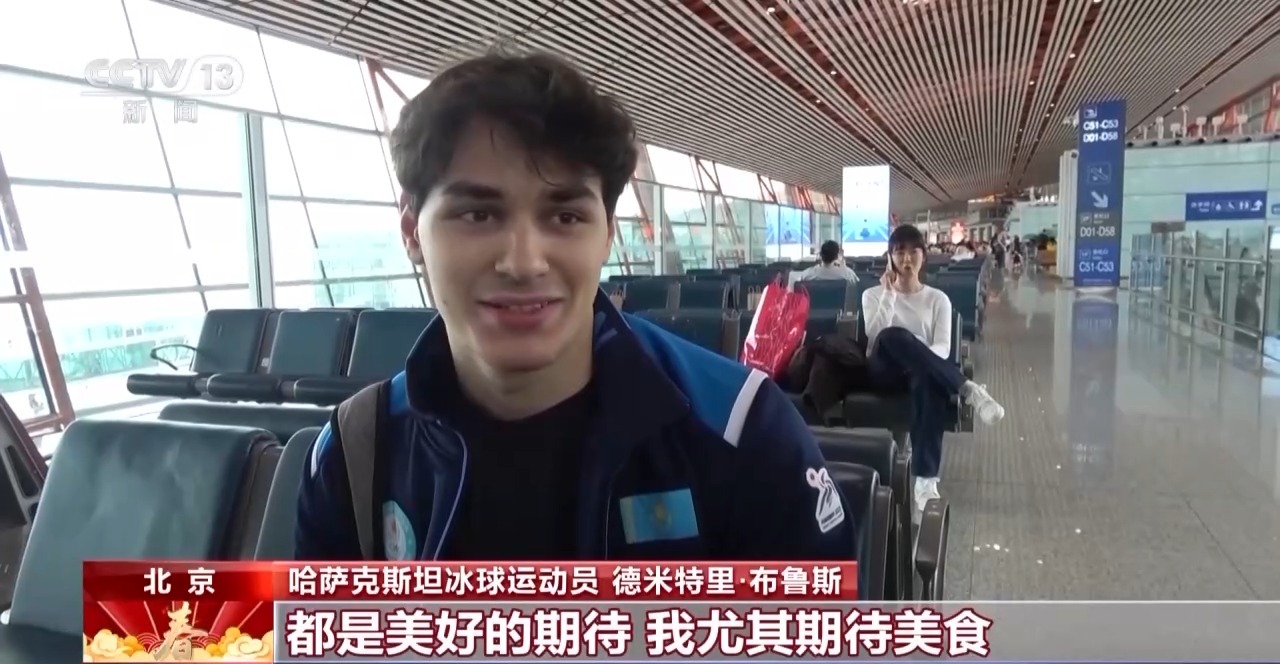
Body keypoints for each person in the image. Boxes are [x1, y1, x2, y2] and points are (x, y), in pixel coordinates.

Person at [295, 51, 853, 561]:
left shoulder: (742, 433)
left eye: (565, 217)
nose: (523, 262)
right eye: (478, 215)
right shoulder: (359, 454)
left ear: (607, 234)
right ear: (412, 231)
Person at [861, 225, 1006, 513]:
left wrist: (918, 357)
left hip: (921, 374)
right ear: (890, 258)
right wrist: (889, 294)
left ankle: (926, 481)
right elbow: (875, 336)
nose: (906, 259)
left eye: (913, 251)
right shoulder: (872, 295)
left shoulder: (938, 299)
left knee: (929, 383)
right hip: (883, 372)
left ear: (923, 256)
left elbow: (942, 348)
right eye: (899, 252)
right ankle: (967, 388)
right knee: (893, 335)